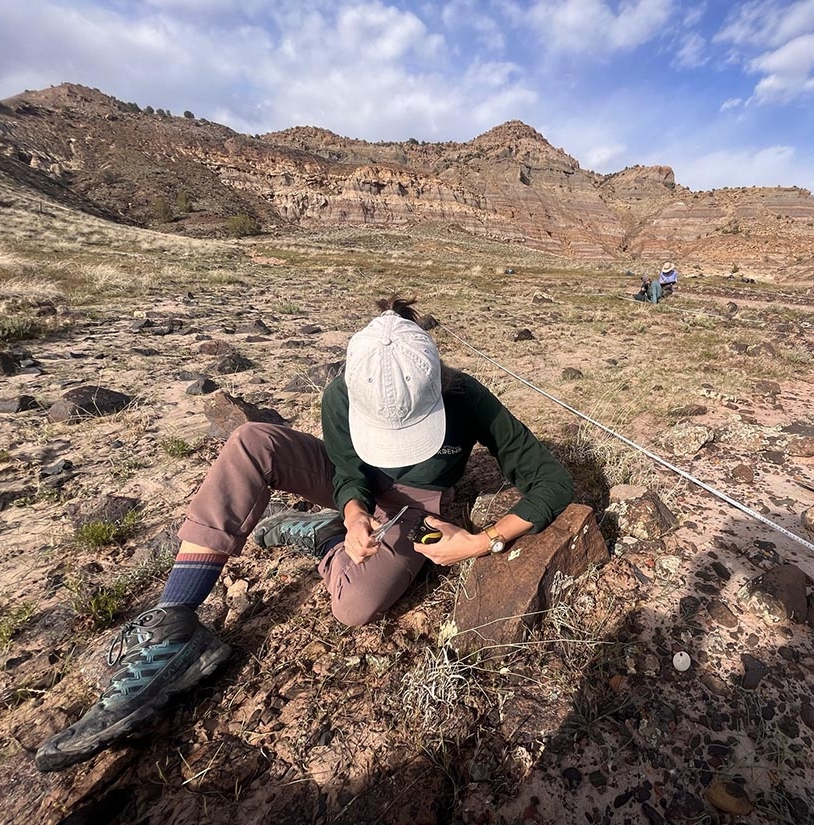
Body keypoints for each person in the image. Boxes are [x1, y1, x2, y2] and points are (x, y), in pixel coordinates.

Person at [35, 295, 574, 772]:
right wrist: (354, 512)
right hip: (364, 495)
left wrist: (480, 542)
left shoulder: (467, 397)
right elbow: (345, 468)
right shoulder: (343, 390)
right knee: (252, 442)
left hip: (418, 504)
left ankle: (321, 539)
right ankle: (175, 619)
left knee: (354, 606)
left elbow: (552, 480)